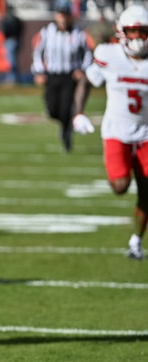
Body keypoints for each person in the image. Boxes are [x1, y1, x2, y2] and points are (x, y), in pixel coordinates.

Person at [72, 4, 148, 260]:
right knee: (120, 186)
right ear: (122, 32)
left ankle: (136, 241)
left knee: (147, 192)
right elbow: (86, 79)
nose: (138, 37)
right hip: (117, 130)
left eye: (143, 31)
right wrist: (78, 113)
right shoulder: (109, 54)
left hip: (147, 133)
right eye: (133, 31)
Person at [31, 0, 92, 153]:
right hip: (52, 75)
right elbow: (38, 52)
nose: (63, 18)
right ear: (56, 16)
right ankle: (66, 124)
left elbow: (87, 54)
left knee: (66, 109)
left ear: (70, 16)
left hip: (69, 76)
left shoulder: (78, 33)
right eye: (60, 15)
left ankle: (66, 135)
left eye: (66, 15)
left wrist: (82, 70)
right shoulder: (47, 31)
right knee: (52, 110)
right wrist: (39, 71)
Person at [1, 3, 23, 85]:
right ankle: (14, 78)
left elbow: (5, 30)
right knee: (13, 60)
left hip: (10, 40)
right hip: (17, 40)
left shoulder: (7, 19)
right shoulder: (17, 19)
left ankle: (12, 78)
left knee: (11, 61)